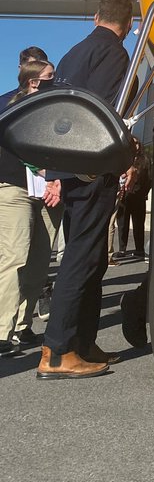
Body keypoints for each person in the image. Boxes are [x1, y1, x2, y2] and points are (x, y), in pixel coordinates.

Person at [37, 0, 135, 380]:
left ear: (96, 17)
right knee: (82, 257)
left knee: (90, 257)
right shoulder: (115, 55)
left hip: (66, 166)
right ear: (126, 26)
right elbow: (105, 113)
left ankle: (83, 343)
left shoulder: (72, 55)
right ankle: (58, 351)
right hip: (92, 169)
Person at [1, 62, 62, 356]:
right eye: (51, 77)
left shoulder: (58, 108)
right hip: (14, 189)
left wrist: (57, 178)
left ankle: (24, 325)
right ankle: (2, 329)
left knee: (39, 261)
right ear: (34, 82)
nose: (56, 80)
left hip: (50, 193)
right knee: (14, 257)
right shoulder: (7, 106)